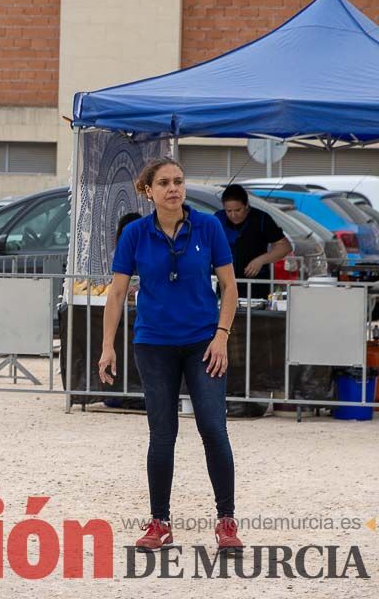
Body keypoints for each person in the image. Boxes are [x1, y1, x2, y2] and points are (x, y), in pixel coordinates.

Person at [98, 158, 243, 553]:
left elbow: (230, 288)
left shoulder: (209, 227)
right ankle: (159, 523)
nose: (173, 188)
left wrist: (221, 336)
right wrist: (108, 346)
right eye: (163, 183)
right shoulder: (134, 234)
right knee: (163, 434)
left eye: (178, 181)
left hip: (203, 343)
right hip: (154, 343)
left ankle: (226, 521)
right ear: (148, 191)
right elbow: (115, 293)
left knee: (213, 428)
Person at [214, 184, 292, 301]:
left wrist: (260, 260)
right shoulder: (218, 219)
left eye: (238, 210)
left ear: (247, 205)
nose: (233, 215)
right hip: (224, 284)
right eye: (228, 211)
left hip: (254, 286)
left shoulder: (262, 219)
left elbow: (285, 247)